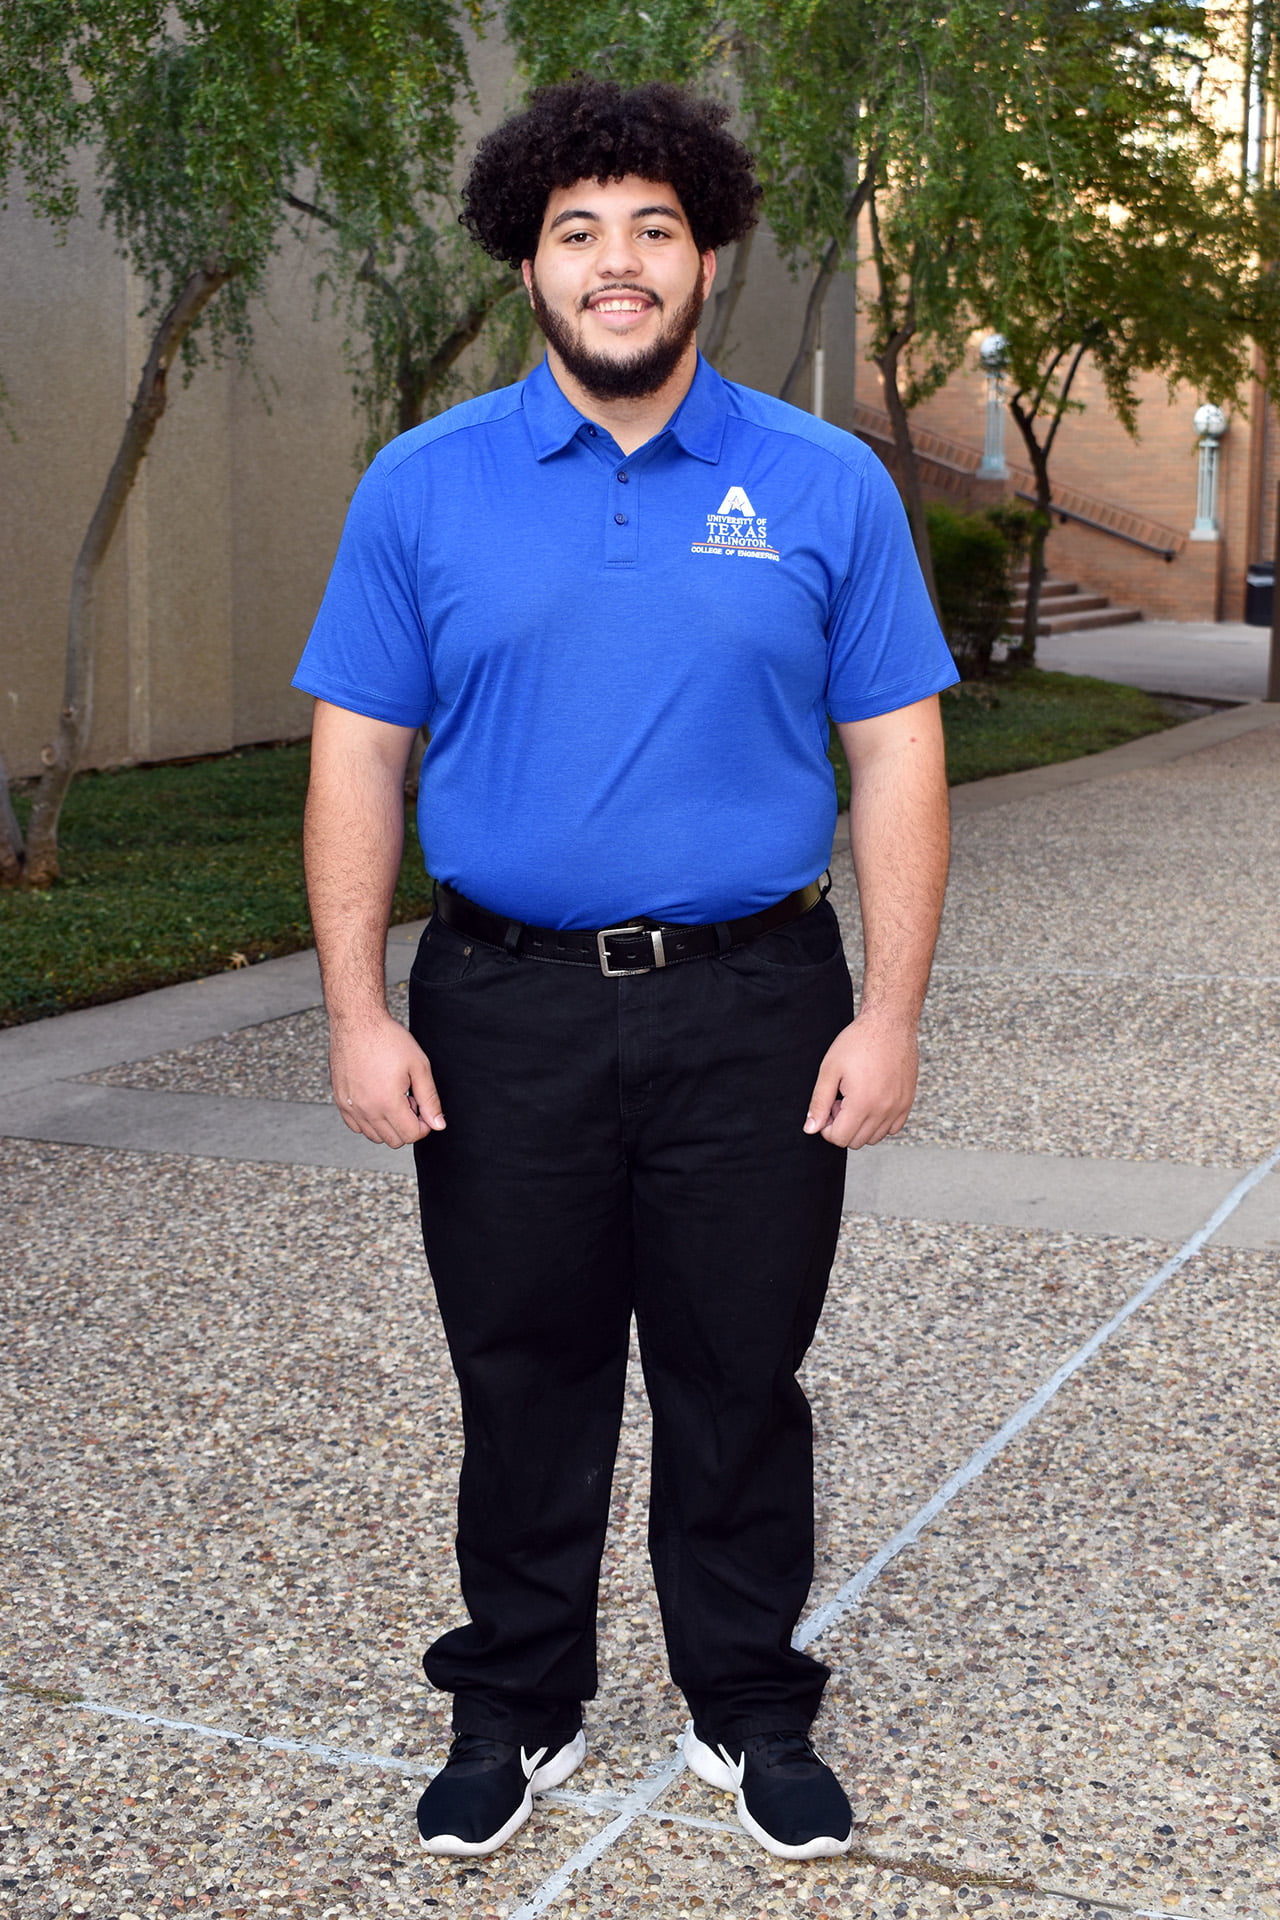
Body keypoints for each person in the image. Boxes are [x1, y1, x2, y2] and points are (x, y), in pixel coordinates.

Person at [294, 78, 956, 1865]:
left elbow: (896, 751)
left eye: (653, 227)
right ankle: (516, 1702)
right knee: (523, 1363)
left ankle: (748, 1701)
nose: (617, 261)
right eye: (578, 229)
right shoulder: (422, 486)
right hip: (500, 1007)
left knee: (742, 1367)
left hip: (757, 1005)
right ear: (530, 261)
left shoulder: (823, 482)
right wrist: (358, 1011)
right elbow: (358, 753)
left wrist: (886, 1010)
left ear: (711, 254)